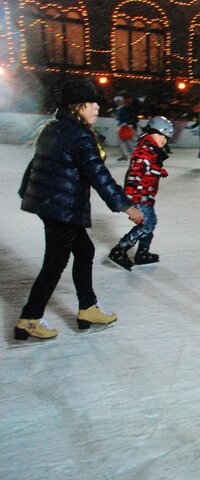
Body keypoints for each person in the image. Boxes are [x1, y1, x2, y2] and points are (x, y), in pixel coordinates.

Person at [15, 79, 144, 341]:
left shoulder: (54, 128)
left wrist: (30, 194)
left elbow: (34, 167)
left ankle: (87, 308)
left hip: (50, 205)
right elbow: (98, 174)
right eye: (92, 103)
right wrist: (125, 205)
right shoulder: (79, 135)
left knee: (85, 250)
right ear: (78, 106)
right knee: (55, 263)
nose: (97, 107)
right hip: (62, 207)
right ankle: (30, 318)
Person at [108, 116, 173, 271]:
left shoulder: (151, 150)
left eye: (166, 137)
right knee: (146, 225)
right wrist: (130, 198)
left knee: (151, 222)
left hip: (146, 196)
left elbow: (148, 168)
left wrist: (158, 170)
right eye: (160, 135)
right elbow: (135, 174)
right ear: (151, 132)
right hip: (139, 196)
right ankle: (120, 250)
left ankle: (142, 253)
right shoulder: (145, 151)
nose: (163, 140)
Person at [115, 95, 139, 161]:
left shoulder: (127, 108)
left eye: (119, 101)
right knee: (121, 142)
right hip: (123, 127)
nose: (118, 102)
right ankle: (125, 155)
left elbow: (134, 118)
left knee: (132, 143)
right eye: (117, 101)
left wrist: (127, 123)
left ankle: (137, 155)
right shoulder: (120, 109)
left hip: (128, 128)